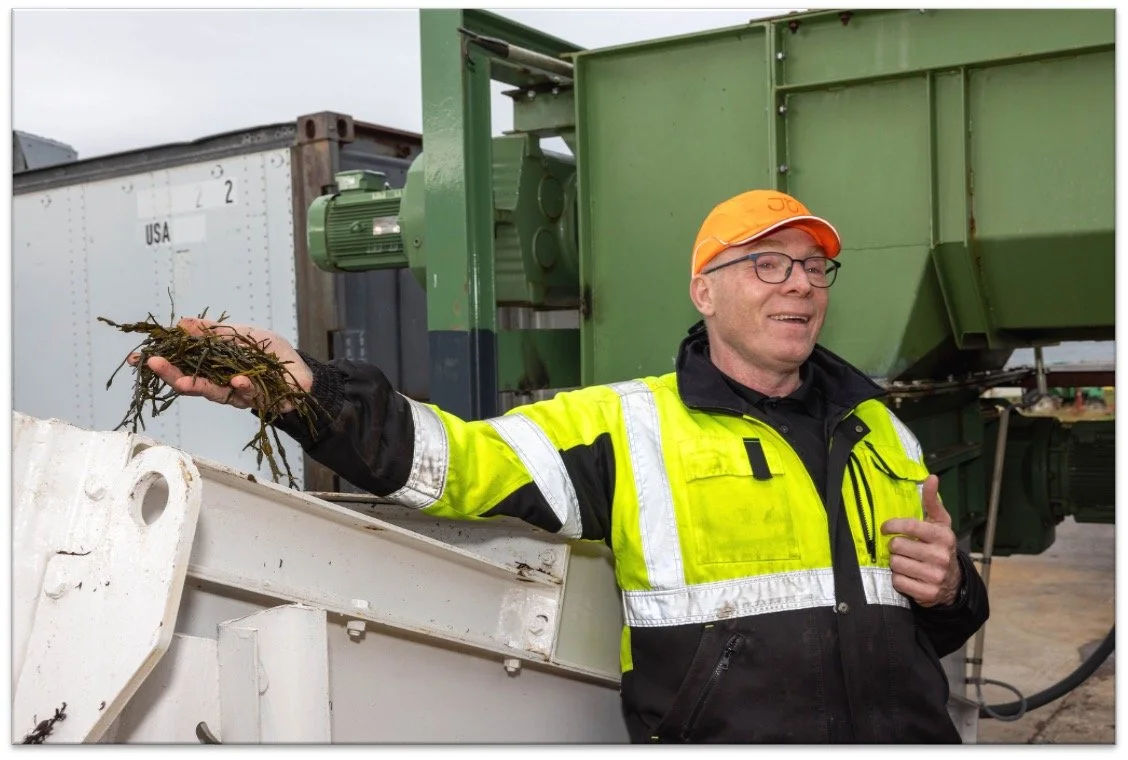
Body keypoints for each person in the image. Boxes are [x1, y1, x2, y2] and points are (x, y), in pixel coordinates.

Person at [132, 189, 989, 744]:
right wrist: (302, 390)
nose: (799, 285)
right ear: (704, 289)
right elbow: (453, 461)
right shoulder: (627, 426)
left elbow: (932, 621)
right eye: (767, 263)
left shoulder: (880, 429)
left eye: (813, 266)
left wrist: (954, 588)